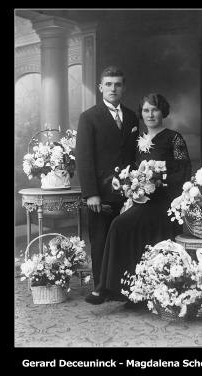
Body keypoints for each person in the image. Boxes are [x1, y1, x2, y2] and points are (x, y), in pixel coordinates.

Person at [86, 93, 192, 305]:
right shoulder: (138, 139)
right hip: (142, 201)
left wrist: (159, 182)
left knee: (121, 224)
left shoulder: (174, 138)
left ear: (163, 112)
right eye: (146, 110)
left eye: (155, 109)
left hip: (165, 204)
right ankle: (115, 287)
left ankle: (119, 288)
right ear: (141, 114)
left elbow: (184, 171)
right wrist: (131, 187)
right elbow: (132, 169)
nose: (150, 114)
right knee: (118, 224)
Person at [76, 66, 138, 292]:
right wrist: (91, 193)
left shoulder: (131, 116)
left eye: (118, 84)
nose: (113, 88)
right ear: (101, 87)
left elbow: (133, 154)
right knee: (101, 239)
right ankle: (101, 287)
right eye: (109, 84)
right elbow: (84, 158)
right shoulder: (89, 117)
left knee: (123, 237)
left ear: (123, 88)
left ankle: (122, 286)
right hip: (100, 193)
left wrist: (135, 187)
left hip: (128, 192)